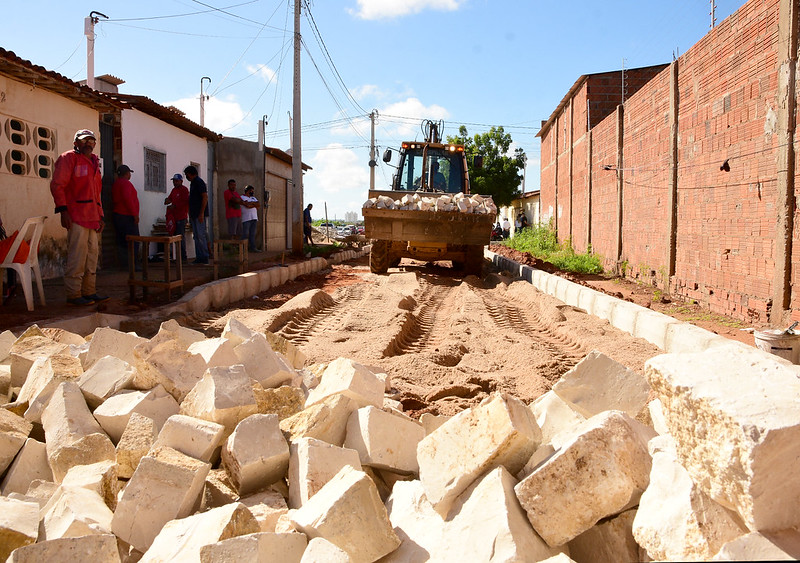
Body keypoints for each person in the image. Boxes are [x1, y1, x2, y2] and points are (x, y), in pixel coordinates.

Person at [50, 129, 108, 306]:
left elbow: (96, 192)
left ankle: (89, 291)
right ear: (76, 143)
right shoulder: (68, 159)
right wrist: (63, 211)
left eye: (91, 141)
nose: (88, 144)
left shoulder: (94, 161)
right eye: (84, 141)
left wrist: (100, 215)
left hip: (92, 217)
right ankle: (74, 294)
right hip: (76, 215)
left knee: (92, 256)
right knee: (77, 256)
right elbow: (57, 185)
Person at [111, 164, 140, 269]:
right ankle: (133, 264)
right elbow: (128, 200)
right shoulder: (126, 184)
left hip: (118, 215)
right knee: (133, 241)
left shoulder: (116, 184)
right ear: (127, 174)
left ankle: (124, 265)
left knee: (122, 241)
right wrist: (135, 214)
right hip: (127, 216)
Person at [185, 165, 210, 264]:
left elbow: (204, 197)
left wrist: (201, 213)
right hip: (194, 214)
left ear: (192, 174)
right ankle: (199, 256)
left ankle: (204, 257)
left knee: (200, 235)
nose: (187, 177)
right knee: (196, 236)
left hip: (199, 214)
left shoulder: (199, 182)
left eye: (187, 175)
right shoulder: (193, 183)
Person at [165, 173, 189, 261]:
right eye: (174, 181)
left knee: (180, 237)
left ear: (181, 181)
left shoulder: (184, 190)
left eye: (176, 181)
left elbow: (185, 202)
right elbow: (170, 199)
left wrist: (175, 206)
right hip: (174, 218)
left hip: (181, 217)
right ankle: (175, 256)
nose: (175, 183)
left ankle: (183, 257)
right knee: (173, 237)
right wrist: (167, 201)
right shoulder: (174, 190)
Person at [240, 185, 260, 252]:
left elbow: (258, 204)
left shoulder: (253, 198)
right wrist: (254, 205)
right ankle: (243, 248)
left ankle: (253, 248)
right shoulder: (242, 197)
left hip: (254, 218)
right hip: (246, 218)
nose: (252, 192)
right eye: (251, 191)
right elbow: (247, 205)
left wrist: (252, 203)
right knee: (245, 234)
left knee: (252, 234)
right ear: (247, 191)